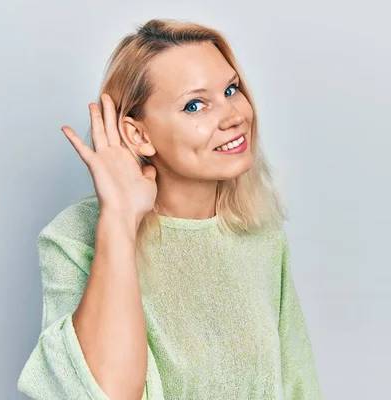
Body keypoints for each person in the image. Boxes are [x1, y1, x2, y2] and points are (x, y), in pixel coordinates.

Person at [17, 18, 321, 400]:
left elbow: (297, 383)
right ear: (138, 135)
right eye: (195, 105)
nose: (234, 115)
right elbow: (105, 393)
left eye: (231, 89)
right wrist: (120, 219)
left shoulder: (258, 231)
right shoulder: (73, 237)